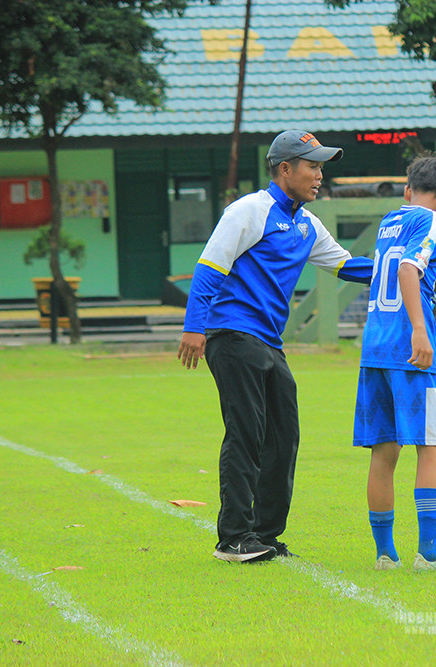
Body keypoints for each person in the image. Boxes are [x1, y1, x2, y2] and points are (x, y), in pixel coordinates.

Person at [178, 130, 373, 563]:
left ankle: (263, 535)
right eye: (312, 165)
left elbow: (345, 264)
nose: (319, 175)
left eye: (321, 166)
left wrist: (402, 269)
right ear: (285, 169)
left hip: (268, 341)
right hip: (231, 335)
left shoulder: (307, 223)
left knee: (284, 437)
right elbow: (210, 268)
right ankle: (232, 539)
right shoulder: (249, 210)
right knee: (247, 433)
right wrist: (194, 328)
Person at [353, 155, 436, 572]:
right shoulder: (433, 221)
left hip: (374, 348)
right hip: (408, 347)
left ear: (406, 190)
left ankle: (385, 554)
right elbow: (408, 268)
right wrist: (420, 328)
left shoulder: (392, 220)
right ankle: (431, 554)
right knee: (433, 447)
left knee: (383, 451)